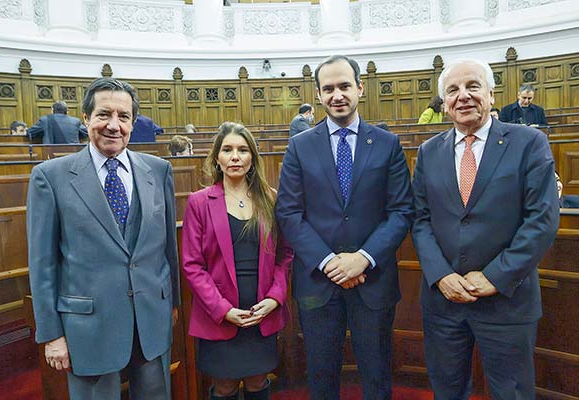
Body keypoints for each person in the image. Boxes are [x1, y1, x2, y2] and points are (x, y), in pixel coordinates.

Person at [411, 59, 559, 400]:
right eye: (453, 90)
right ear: (445, 103)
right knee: (447, 391)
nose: (463, 96)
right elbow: (419, 219)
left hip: (506, 300)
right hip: (444, 301)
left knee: (513, 393)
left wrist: (495, 276)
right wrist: (441, 275)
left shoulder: (529, 142)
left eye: (472, 86)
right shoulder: (428, 152)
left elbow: (542, 219)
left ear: (491, 94)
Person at [27, 77, 180, 400]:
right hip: (89, 326)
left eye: (123, 117)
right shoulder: (50, 178)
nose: (114, 125)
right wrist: (52, 334)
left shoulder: (159, 170)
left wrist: (173, 304)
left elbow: (168, 248)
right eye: (103, 115)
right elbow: (42, 265)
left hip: (151, 318)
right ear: (86, 119)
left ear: (133, 122)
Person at [275, 55, 414, 400]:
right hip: (318, 281)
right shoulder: (300, 146)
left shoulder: (387, 144)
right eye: (329, 88)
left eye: (344, 86)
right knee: (321, 378)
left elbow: (400, 211)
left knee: (377, 375)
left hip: (374, 280)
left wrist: (363, 258)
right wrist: (330, 262)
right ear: (319, 95)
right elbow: (289, 213)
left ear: (359, 89)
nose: (337, 94)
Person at [181, 122, 293, 400]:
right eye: (227, 149)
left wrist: (275, 298)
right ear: (217, 157)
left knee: (258, 382)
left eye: (243, 150)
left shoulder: (270, 199)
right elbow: (193, 266)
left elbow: (285, 255)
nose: (235, 156)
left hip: (260, 311)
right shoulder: (199, 202)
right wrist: (222, 309)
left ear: (252, 158)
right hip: (219, 314)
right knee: (225, 387)